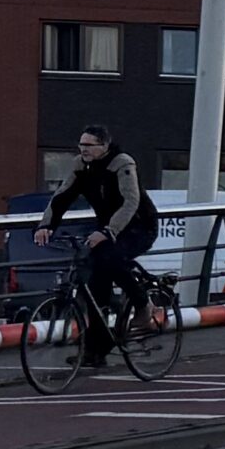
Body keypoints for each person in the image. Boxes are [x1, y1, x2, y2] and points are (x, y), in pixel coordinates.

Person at [40, 123, 158, 366]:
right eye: (81, 144)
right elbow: (62, 196)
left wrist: (108, 231)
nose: (83, 149)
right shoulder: (81, 166)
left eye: (89, 145)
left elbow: (130, 201)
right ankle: (95, 350)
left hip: (138, 226)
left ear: (104, 146)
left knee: (112, 259)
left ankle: (143, 304)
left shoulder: (122, 163)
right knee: (94, 285)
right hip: (108, 228)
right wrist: (46, 226)